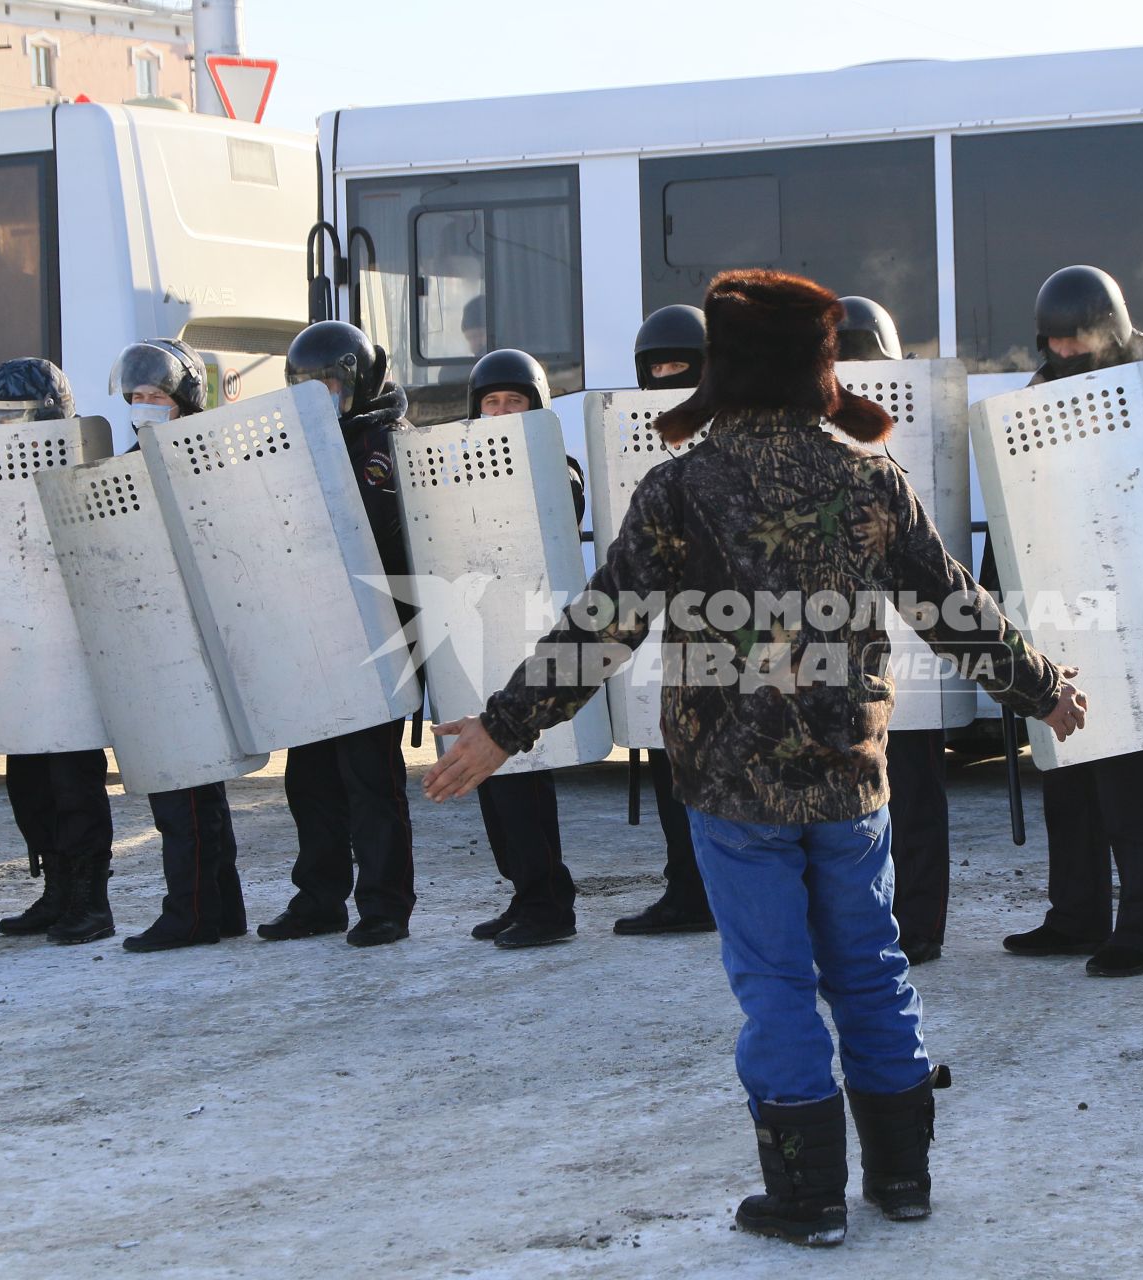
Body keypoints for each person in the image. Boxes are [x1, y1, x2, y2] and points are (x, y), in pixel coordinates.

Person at [423, 270, 1088, 1246]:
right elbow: (956, 608)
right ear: (821, 367)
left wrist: (501, 727)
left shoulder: (685, 485)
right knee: (871, 966)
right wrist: (1041, 687)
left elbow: (599, 623)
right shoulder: (869, 476)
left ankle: (807, 1192)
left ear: (725, 368)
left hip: (735, 793)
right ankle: (901, 1177)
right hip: (852, 778)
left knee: (776, 980)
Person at [995, 266, 1143, 978]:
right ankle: (1075, 916)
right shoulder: (1032, 399)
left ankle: (1140, 933)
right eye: (1055, 341)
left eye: (1078, 339)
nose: (1066, 352)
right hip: (1054, 610)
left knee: (1131, 791)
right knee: (1064, 778)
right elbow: (1010, 498)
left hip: (1130, 614)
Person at [260, 321, 416, 948]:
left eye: (331, 383)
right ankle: (319, 896)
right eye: (307, 385)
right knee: (310, 779)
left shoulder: (385, 444)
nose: (321, 395)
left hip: (371, 632)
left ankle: (383, 904)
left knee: (369, 779)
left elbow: (384, 529)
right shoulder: (288, 444)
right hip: (311, 631)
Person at [106, 339, 250, 952]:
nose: (144, 408)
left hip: (192, 640)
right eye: (136, 398)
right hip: (152, 635)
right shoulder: (131, 461)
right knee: (197, 786)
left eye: (156, 397)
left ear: (184, 402)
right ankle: (220, 907)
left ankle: (189, 912)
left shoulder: (202, 461)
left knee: (184, 784)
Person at [0, 359, 120, 947]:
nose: (5, 430)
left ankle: (91, 898)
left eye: (17, 418)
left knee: (73, 785)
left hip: (73, 656)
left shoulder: (83, 466)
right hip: (19, 650)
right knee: (29, 784)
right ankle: (57, 887)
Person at [833, 295, 950, 965]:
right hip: (850, 654)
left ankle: (921, 925)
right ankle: (867, 926)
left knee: (917, 790)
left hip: (913, 633)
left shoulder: (915, 420)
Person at [456, 347, 582, 948]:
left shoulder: (561, 463)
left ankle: (548, 903)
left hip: (530, 641)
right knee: (494, 781)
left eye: (516, 401)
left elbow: (567, 505)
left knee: (524, 774)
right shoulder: (454, 465)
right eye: (492, 403)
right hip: (478, 635)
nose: (503, 412)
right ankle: (524, 891)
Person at [613, 306, 716, 935]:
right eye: (658, 368)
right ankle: (687, 891)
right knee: (666, 761)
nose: (667, 378)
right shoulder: (627, 426)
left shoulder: (728, 436)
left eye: (681, 366)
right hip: (657, 624)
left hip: (724, 632)